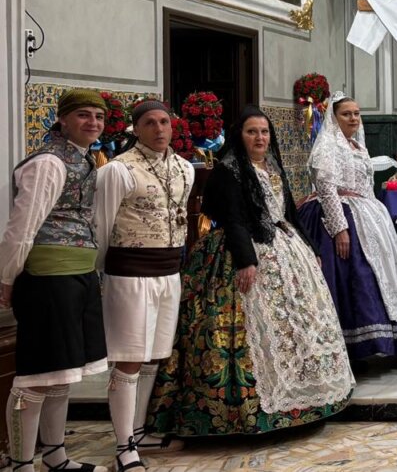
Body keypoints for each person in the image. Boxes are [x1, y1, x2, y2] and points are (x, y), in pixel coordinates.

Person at [148, 107, 353, 437]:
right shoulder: (229, 170)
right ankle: (244, 410)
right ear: (238, 136)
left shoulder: (272, 165)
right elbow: (233, 219)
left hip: (286, 248)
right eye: (251, 132)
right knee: (254, 329)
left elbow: (289, 213)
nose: (260, 138)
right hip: (245, 253)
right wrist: (246, 261)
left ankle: (303, 401)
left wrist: (311, 249)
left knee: (297, 325)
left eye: (264, 132)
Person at [1, 89, 110, 472]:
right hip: (49, 279)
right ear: (62, 120)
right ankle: (21, 464)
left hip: (78, 275)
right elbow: (22, 226)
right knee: (35, 378)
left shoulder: (85, 160)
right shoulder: (48, 162)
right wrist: (8, 277)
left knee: (63, 375)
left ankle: (56, 457)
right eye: (83, 115)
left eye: (98, 115)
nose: (93, 122)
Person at [93, 100, 195, 469]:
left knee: (154, 354)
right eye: (149, 123)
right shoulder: (119, 170)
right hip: (129, 274)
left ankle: (137, 431)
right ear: (136, 129)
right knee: (129, 360)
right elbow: (101, 227)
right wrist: (97, 274)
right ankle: (123, 446)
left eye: (164, 121)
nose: (158, 129)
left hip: (169, 272)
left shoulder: (185, 168)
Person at [298, 94, 397, 360]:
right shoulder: (327, 147)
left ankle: (380, 341)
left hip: (366, 212)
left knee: (373, 274)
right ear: (334, 118)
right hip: (340, 215)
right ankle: (351, 346)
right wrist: (339, 229)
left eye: (357, 113)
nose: (353, 118)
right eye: (346, 114)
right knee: (352, 276)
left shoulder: (357, 147)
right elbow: (326, 188)